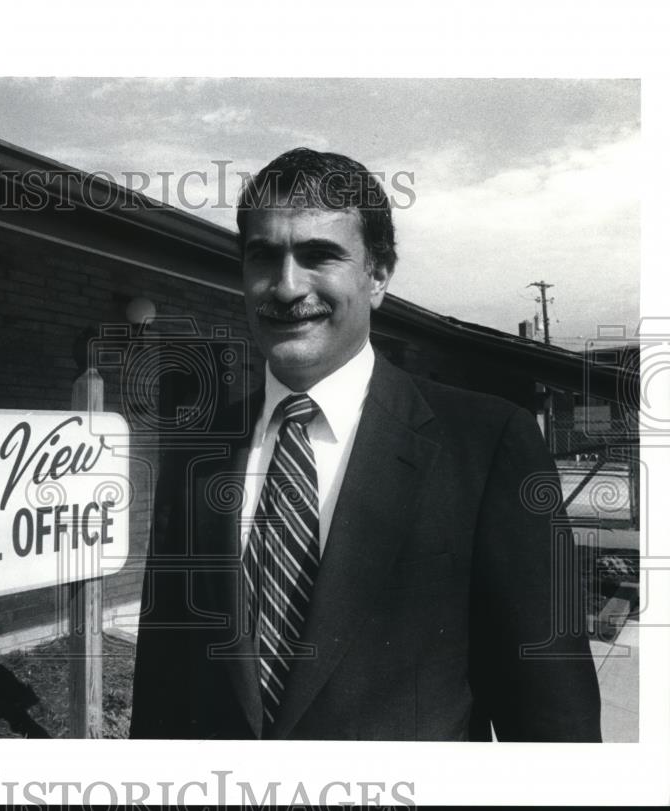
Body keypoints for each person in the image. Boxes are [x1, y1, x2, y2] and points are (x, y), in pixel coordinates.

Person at [129, 147, 601, 741]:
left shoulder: (486, 445)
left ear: (377, 276)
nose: (286, 286)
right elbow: (163, 683)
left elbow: (554, 713)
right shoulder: (196, 449)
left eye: (320, 255)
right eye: (264, 257)